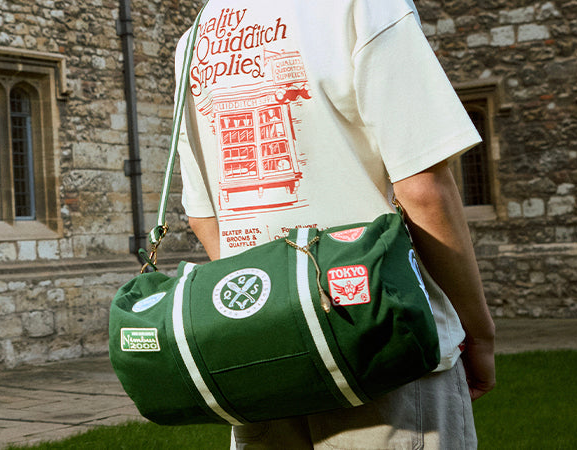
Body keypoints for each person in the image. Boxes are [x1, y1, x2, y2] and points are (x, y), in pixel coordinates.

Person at [170, 0, 497, 448]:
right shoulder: (364, 5)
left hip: (261, 347)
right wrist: (478, 333)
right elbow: (422, 188)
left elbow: (204, 215)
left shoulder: (196, 36)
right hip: (380, 333)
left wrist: (270, 309)